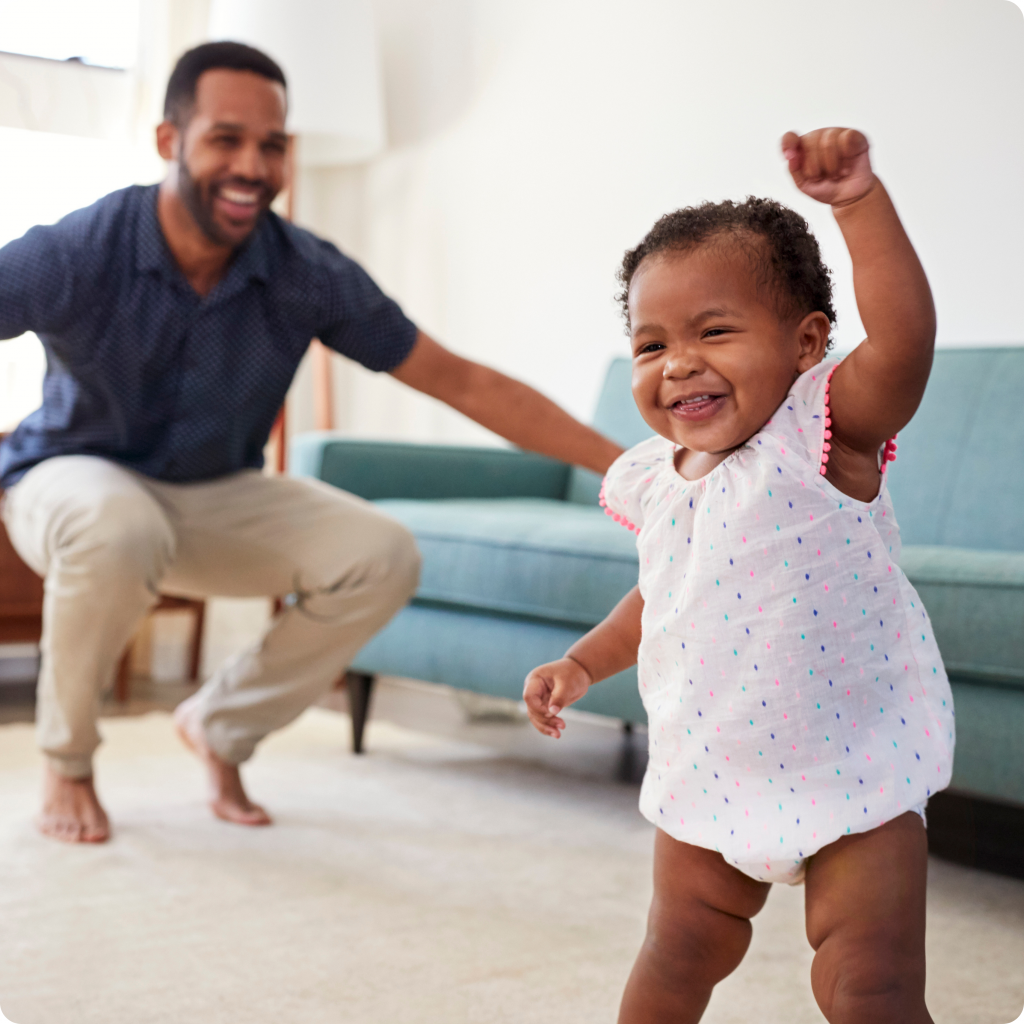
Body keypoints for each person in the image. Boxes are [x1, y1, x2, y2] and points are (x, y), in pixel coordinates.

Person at [0, 42, 622, 845]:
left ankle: (220, 727)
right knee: (118, 523)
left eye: (272, 144)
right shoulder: (85, 247)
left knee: (383, 552)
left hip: (212, 490)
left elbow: (461, 382)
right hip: (69, 481)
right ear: (169, 141)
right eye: (226, 138)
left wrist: (631, 464)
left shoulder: (304, 272)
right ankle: (68, 761)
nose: (251, 164)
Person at [523, 127, 954, 1024]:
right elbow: (664, 595)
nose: (677, 362)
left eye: (713, 331)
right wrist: (582, 663)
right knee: (677, 952)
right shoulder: (656, 475)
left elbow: (906, 341)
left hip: (853, 773)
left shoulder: (820, 438)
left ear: (806, 345)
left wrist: (857, 208)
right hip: (711, 765)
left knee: (868, 981)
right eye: (650, 346)